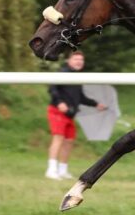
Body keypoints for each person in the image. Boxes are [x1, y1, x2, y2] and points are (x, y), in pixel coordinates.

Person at [45, 51, 107, 180]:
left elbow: (81, 97)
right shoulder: (63, 73)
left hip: (70, 115)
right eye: (76, 59)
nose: (79, 62)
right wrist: (60, 102)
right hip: (57, 112)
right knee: (58, 139)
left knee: (69, 142)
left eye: (81, 60)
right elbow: (52, 88)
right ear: (69, 61)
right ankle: (51, 170)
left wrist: (96, 104)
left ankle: (62, 170)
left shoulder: (77, 77)